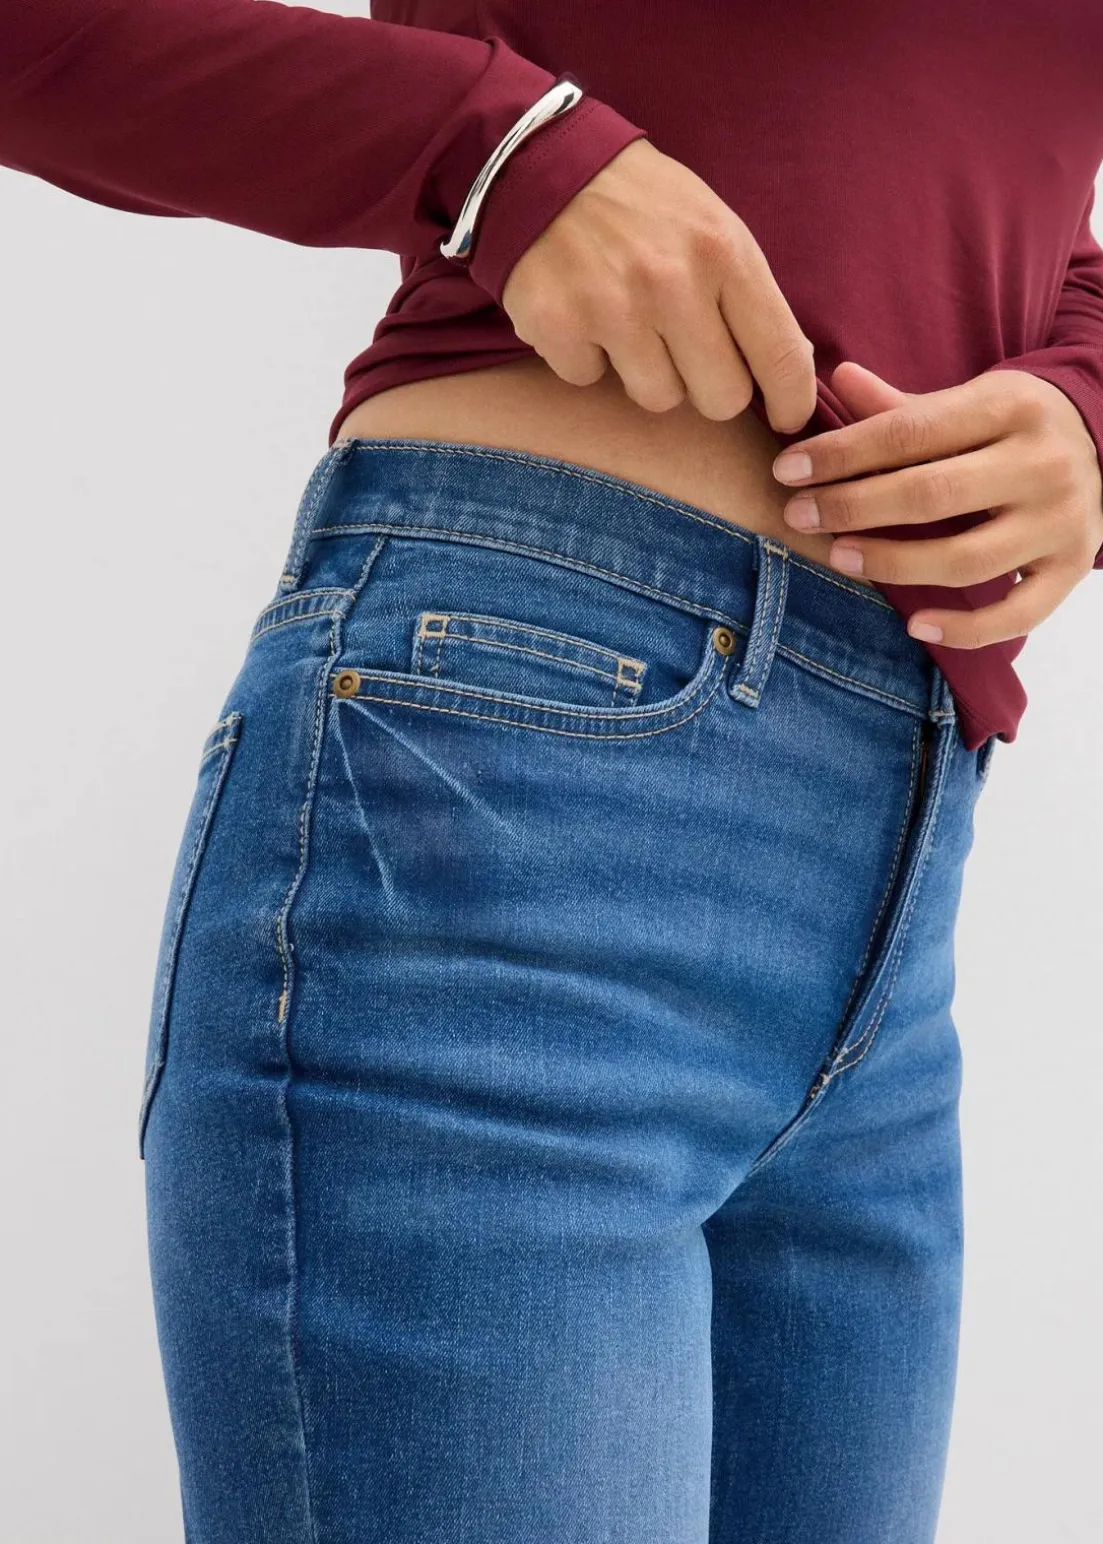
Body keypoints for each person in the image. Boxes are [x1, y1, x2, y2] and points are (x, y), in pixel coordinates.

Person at [5, 4, 1103, 1541]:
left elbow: (990, 169)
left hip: (891, 888)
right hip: (516, 770)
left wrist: (1084, 403)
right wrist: (484, 145)